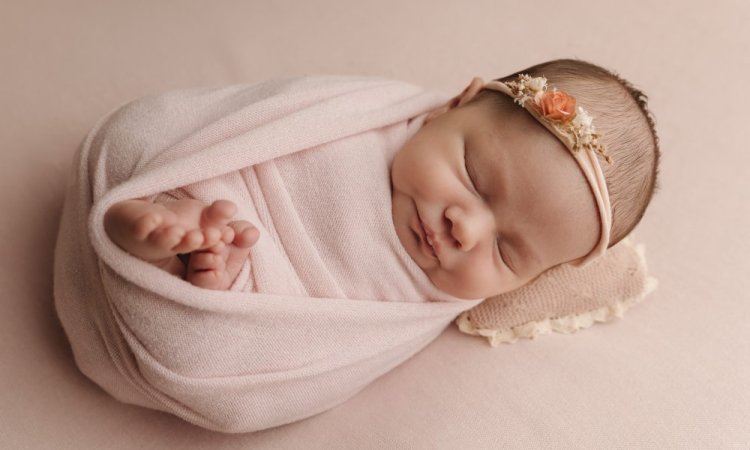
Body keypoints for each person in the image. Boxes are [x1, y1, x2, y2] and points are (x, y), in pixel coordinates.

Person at [103, 58, 661, 299]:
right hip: (230, 192)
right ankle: (170, 206)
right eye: (473, 176)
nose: (465, 229)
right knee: (217, 207)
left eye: (509, 254)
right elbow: (264, 124)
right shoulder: (367, 119)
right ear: (454, 106)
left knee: (225, 276)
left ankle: (192, 269)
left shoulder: (421, 299)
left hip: (257, 294)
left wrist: (241, 295)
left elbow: (314, 352)